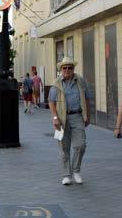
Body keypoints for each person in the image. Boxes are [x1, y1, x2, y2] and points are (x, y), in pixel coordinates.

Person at [48, 57, 91, 186]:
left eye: (70, 68)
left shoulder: (80, 81)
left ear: (73, 69)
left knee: (80, 145)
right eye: (64, 68)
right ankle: (67, 175)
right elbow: (51, 102)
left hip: (77, 116)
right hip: (61, 119)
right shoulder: (56, 84)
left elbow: (87, 98)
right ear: (61, 69)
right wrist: (55, 118)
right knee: (64, 148)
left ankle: (76, 171)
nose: (67, 70)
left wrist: (87, 115)